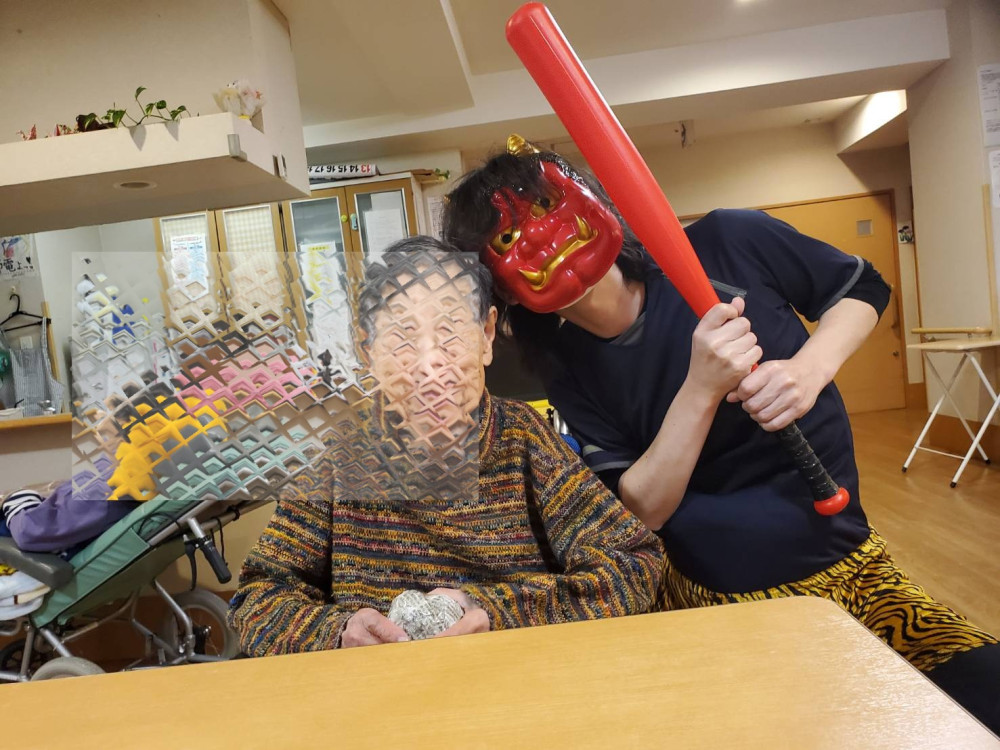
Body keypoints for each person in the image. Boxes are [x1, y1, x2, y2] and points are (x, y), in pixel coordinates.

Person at [442, 136, 1000, 732]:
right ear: (497, 285)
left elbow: (863, 288)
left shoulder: (729, 241)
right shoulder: (560, 367)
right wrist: (701, 387)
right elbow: (641, 508)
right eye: (507, 238)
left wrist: (809, 370)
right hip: (711, 597)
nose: (540, 236)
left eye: (545, 205)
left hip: (845, 561)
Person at [227, 237, 664, 654]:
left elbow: (634, 564)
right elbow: (257, 601)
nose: (429, 364)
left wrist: (493, 611)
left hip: (512, 686)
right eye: (402, 337)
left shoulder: (524, 440)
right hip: (379, 693)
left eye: (450, 331)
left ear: (487, 336)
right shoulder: (339, 455)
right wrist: (339, 632)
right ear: (368, 350)